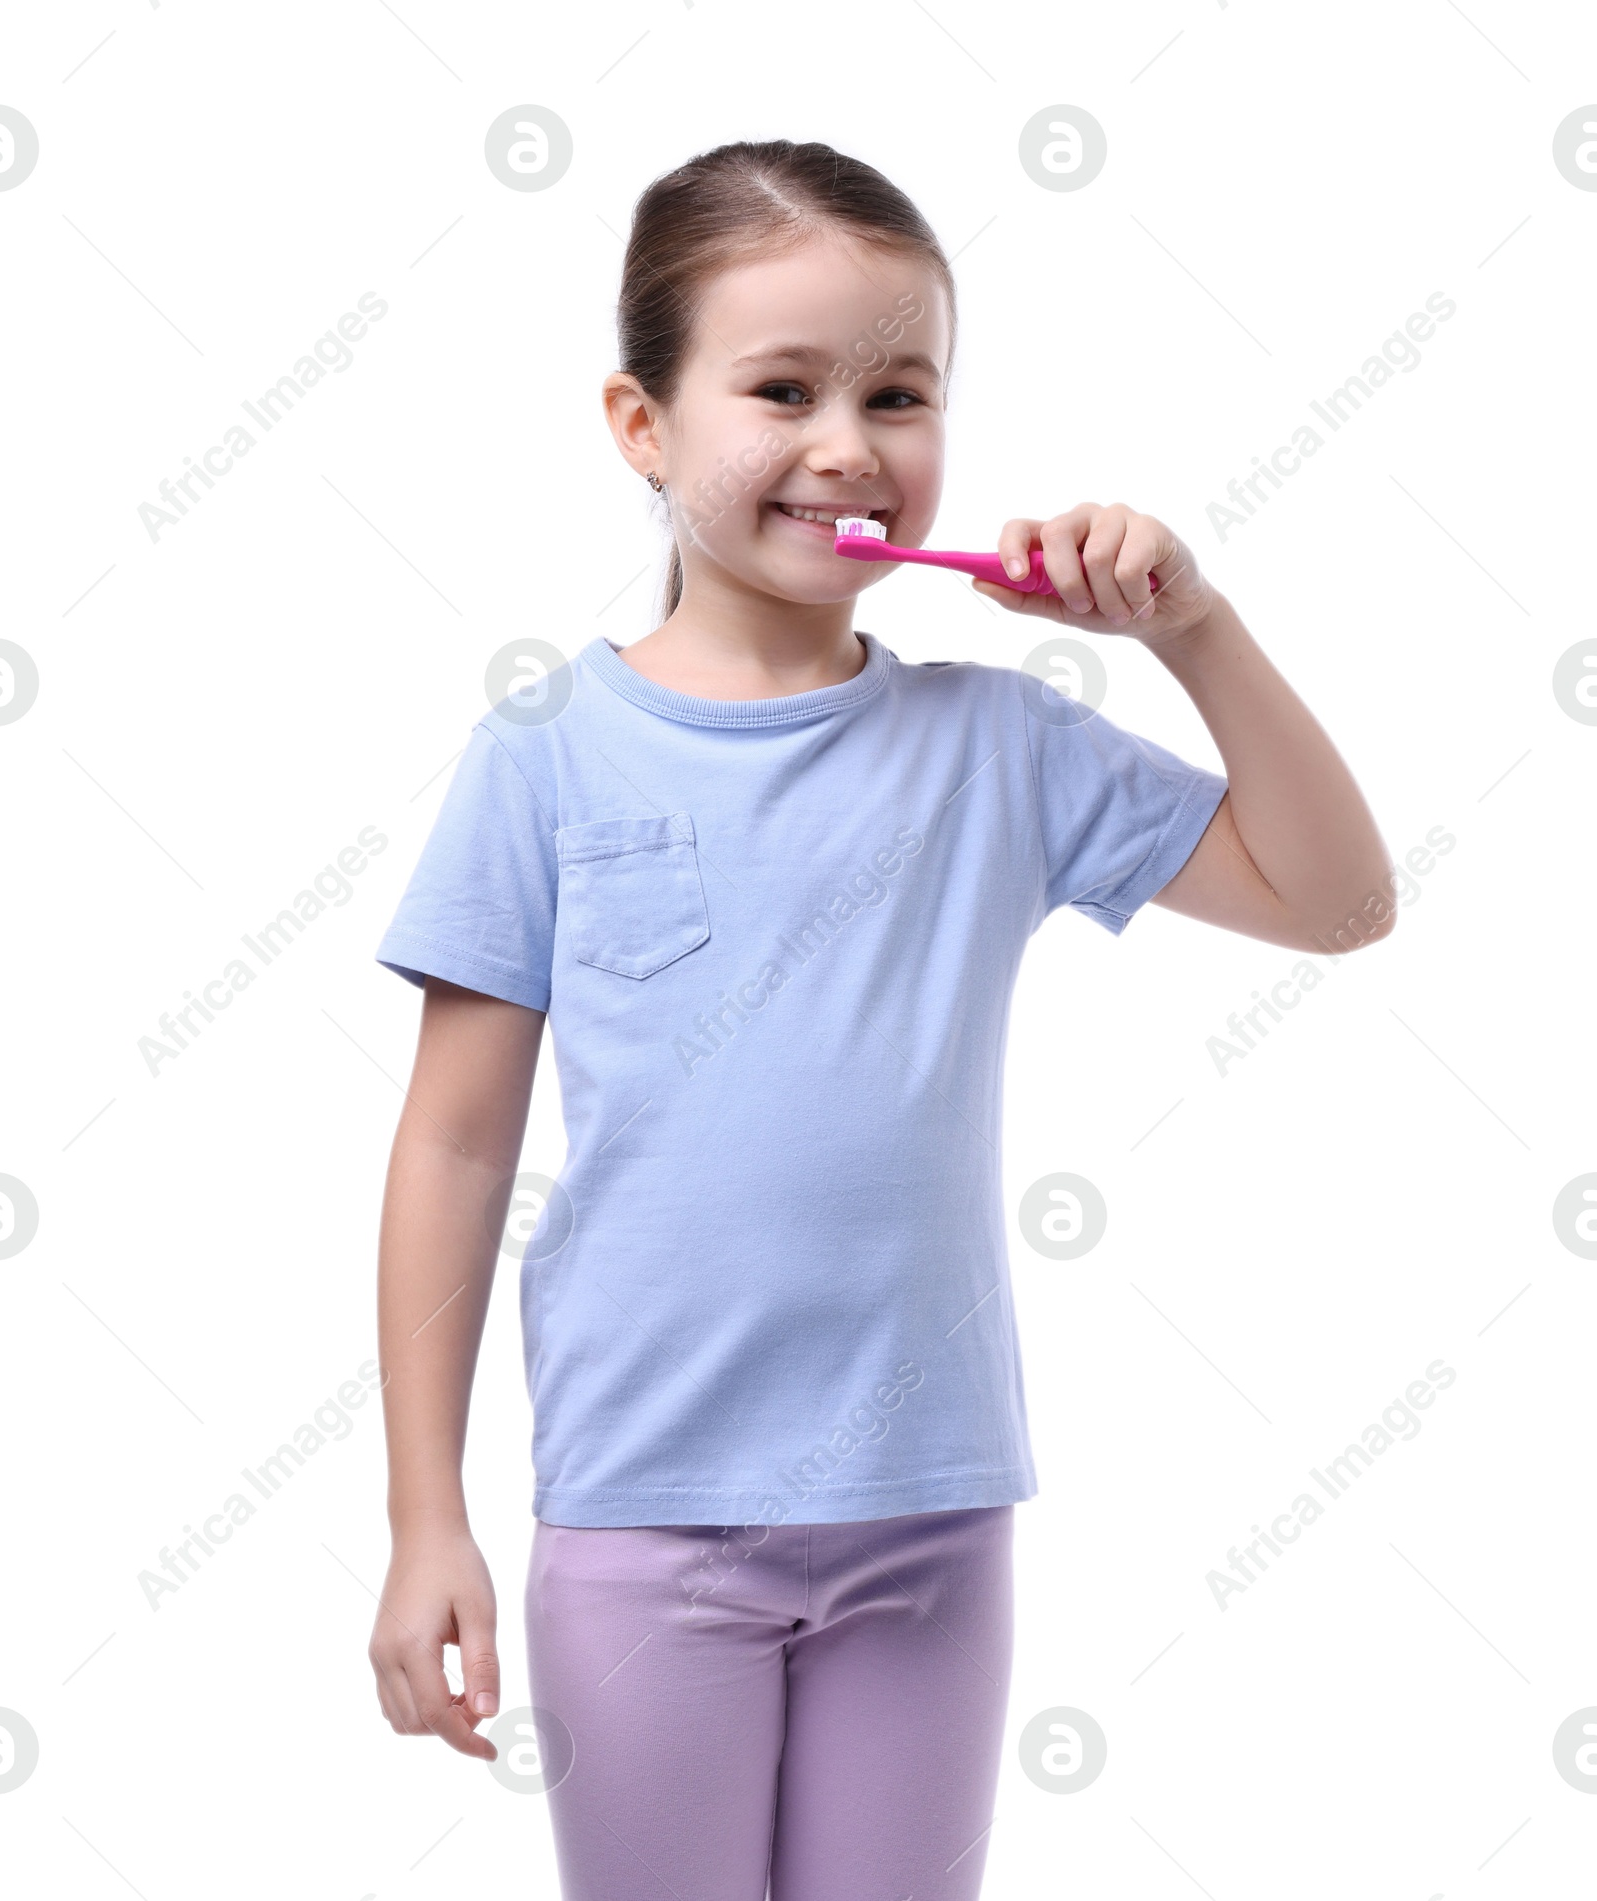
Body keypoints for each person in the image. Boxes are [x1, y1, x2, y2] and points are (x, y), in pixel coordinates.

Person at [365, 138, 1395, 1900]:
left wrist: (1192, 630)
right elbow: (453, 1148)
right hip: (641, 1521)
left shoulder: (1005, 744)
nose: (851, 443)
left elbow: (1341, 902)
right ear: (641, 423)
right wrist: (421, 1515)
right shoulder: (544, 755)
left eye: (900, 391)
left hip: (931, 1511)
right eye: (783, 388)